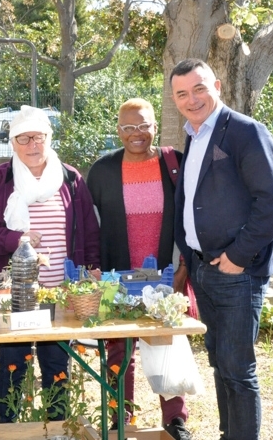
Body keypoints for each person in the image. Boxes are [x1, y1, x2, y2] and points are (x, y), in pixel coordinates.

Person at [170, 58, 273, 440]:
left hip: (236, 271)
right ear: (174, 99)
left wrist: (238, 257)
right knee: (221, 363)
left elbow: (272, 199)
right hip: (205, 270)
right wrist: (190, 257)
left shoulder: (244, 132)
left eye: (199, 88)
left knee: (238, 369)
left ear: (217, 87)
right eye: (182, 94)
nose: (192, 99)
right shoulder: (195, 133)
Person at [0, 105, 101, 422]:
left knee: (57, 363)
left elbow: (89, 231)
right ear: (12, 143)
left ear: (48, 139)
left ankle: (57, 424)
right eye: (24, 139)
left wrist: (92, 266)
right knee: (14, 361)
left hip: (60, 294)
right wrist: (15, 239)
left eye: (38, 137)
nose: (32, 145)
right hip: (15, 296)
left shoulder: (70, 178)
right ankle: (9, 424)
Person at [87, 98, 192, 440]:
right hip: (119, 276)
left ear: (154, 127)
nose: (137, 133)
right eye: (129, 127)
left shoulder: (173, 163)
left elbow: (189, 217)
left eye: (144, 125)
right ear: (118, 131)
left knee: (165, 343)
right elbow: (93, 225)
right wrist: (96, 271)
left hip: (165, 271)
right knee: (120, 348)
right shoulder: (102, 171)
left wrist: (183, 264)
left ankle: (174, 419)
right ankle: (120, 414)